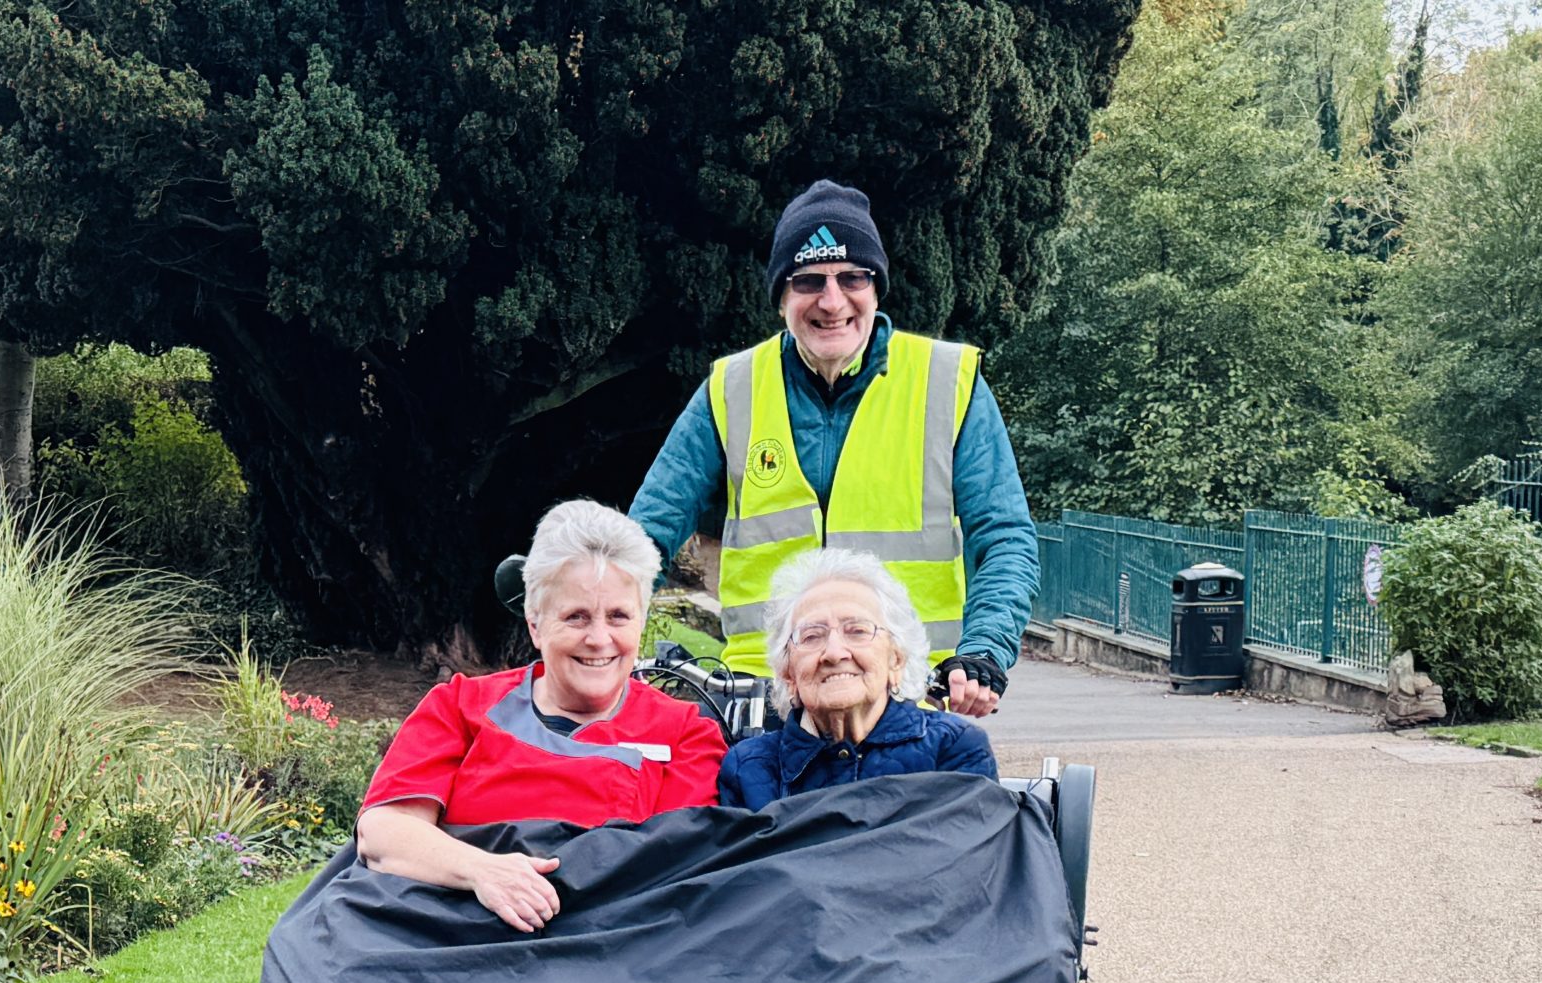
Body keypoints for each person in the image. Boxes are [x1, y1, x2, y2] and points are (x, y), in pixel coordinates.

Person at [628, 180, 1038, 717]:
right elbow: (646, 537)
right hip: (766, 696)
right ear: (781, 298)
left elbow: (1005, 537)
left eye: (852, 278)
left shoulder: (948, 382)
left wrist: (984, 650)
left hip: (908, 692)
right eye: (808, 281)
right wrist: (596, 624)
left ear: (876, 288)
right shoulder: (731, 389)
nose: (831, 300)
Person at [358, 500, 727, 932]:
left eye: (618, 617)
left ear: (641, 622)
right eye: (576, 617)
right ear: (535, 624)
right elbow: (384, 831)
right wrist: (481, 871)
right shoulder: (460, 705)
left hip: (607, 939)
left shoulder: (685, 734)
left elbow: (676, 869)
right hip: (448, 926)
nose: (599, 638)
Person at [716, 548, 997, 808]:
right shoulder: (748, 768)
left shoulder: (953, 749)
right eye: (812, 636)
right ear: (788, 674)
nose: (834, 652)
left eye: (857, 631)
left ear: (896, 659)